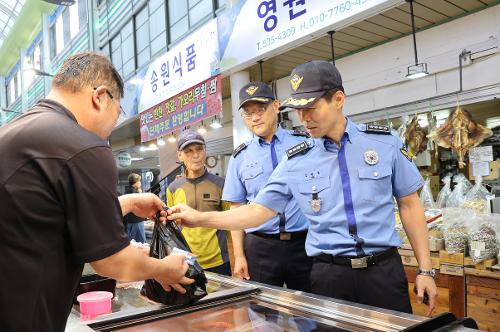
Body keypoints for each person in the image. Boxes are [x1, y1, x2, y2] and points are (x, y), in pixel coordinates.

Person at [167, 60, 438, 316]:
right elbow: (257, 212)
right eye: (298, 109)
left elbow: (410, 204)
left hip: (384, 271)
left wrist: (426, 270)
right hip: (329, 276)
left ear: (338, 99)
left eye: (311, 107)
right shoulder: (296, 159)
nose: (303, 117)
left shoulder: (383, 143)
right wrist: (200, 218)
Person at [0, 52, 193, 332]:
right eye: (118, 112)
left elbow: (46, 215)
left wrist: (126, 202)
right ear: (101, 96)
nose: (113, 126)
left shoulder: (14, 132)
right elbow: (111, 262)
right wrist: (166, 269)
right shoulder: (84, 145)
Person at [222, 81, 312, 291]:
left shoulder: (306, 144)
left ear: (276, 106)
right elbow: (237, 207)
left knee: (310, 311)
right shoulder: (240, 157)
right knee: (262, 314)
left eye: (260, 109)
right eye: (248, 113)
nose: (255, 117)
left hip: (304, 243)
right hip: (260, 247)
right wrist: (240, 256)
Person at [167, 129, 232, 276]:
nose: (195, 155)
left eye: (199, 149)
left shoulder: (221, 184)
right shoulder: (173, 188)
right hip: (187, 261)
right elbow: (173, 228)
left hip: (219, 260)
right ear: (180, 156)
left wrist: (238, 256)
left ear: (205, 151)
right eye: (188, 151)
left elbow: (231, 225)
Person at [123, 173, 147, 243]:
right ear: (135, 182)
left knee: (133, 242)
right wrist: (140, 194)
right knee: (141, 243)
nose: (140, 183)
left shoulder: (127, 191)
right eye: (139, 181)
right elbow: (142, 204)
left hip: (130, 220)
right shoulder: (134, 192)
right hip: (136, 220)